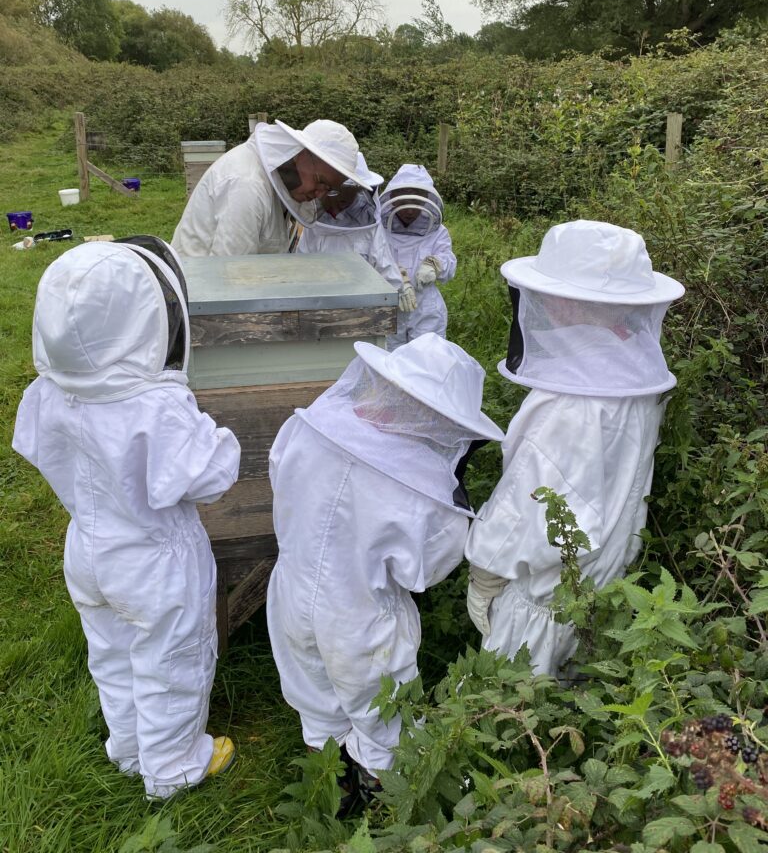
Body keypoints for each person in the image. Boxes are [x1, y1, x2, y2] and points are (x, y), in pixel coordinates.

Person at [12, 237, 242, 800]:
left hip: (88, 548)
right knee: (173, 661)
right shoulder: (154, 407)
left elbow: (40, 452)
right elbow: (211, 476)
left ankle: (128, 748)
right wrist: (218, 436)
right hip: (155, 558)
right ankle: (174, 768)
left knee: (111, 652)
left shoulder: (48, 393)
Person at [266, 333, 504, 808]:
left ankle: (331, 785)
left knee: (315, 697)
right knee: (384, 720)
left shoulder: (308, 430)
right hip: (363, 624)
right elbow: (427, 571)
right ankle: (384, 800)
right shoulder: (420, 492)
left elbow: (279, 483)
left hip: (288, 596)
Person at [464, 220, 685, 677]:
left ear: (563, 298)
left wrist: (485, 570)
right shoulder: (632, 366)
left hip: (542, 597)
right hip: (601, 580)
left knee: (503, 713)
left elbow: (533, 506)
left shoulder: (573, 406)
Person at [171, 119, 376, 258]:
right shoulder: (247, 186)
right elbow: (229, 281)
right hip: (199, 306)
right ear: (301, 154)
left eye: (329, 188)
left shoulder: (282, 183)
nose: (319, 194)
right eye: (320, 181)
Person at [283, 152, 404, 298]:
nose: (345, 197)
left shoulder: (370, 227)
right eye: (340, 191)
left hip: (362, 306)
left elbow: (390, 277)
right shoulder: (314, 225)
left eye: (352, 192)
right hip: (319, 305)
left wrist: (393, 294)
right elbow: (300, 270)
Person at [379, 164, 457, 350]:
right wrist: (395, 279)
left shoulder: (437, 232)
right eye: (404, 196)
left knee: (427, 358)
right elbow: (374, 263)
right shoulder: (380, 231)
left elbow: (448, 262)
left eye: (416, 196)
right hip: (389, 305)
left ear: (425, 200)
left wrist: (435, 264)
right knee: (389, 360)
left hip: (426, 308)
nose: (409, 209)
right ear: (393, 198)